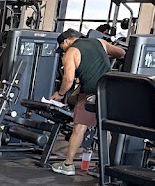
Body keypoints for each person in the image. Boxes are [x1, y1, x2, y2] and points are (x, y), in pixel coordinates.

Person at [49, 28, 126, 176]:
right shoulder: (100, 42)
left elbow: (68, 79)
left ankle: (68, 165)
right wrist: (103, 56)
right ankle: (106, 167)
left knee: (79, 127)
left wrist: (60, 94)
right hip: (110, 91)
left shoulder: (70, 52)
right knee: (109, 128)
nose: (63, 50)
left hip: (90, 93)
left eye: (62, 47)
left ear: (66, 41)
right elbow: (121, 53)